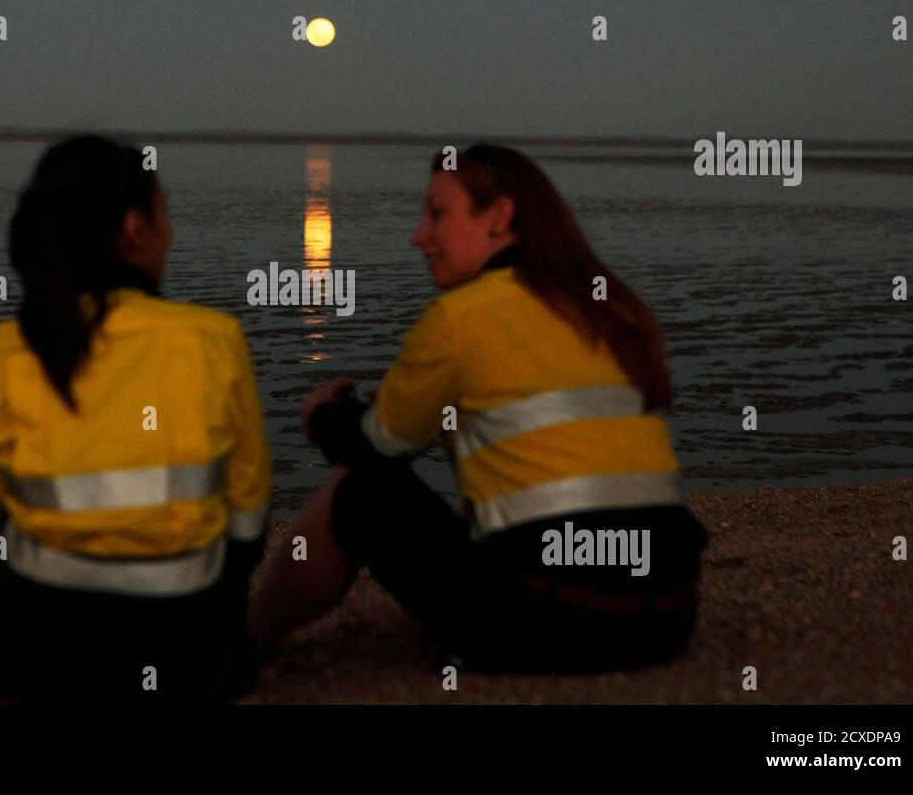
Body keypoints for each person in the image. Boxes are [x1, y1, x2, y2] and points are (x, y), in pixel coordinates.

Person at [0, 135, 271, 703]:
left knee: (5, 552)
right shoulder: (215, 340)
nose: (170, 232)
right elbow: (250, 519)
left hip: (43, 657)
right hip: (187, 659)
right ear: (134, 229)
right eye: (164, 214)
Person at [248, 143, 708, 674]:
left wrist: (325, 414)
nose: (419, 236)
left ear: (499, 217)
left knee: (359, 492)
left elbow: (376, 443)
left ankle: (244, 638)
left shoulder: (459, 319)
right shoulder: (604, 312)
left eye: (437, 214)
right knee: (498, 491)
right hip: (666, 620)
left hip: (549, 627)